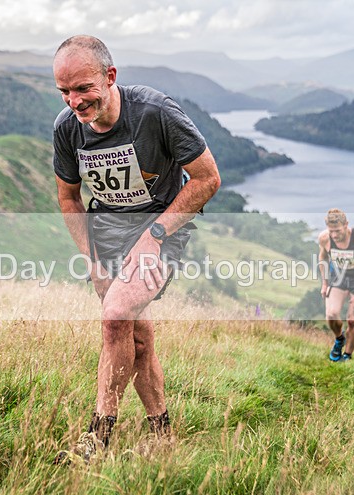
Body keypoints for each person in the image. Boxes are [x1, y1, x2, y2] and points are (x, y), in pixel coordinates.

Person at [51, 35, 221, 463]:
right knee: (136, 337)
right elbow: (69, 199)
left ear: (110, 77)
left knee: (114, 316)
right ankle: (162, 434)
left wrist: (153, 239)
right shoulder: (66, 129)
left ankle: (98, 438)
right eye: (64, 91)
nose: (74, 101)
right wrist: (91, 259)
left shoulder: (156, 113)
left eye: (83, 88)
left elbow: (207, 180)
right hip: (105, 235)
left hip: (161, 229)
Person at [318, 209, 354, 362]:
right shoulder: (324, 238)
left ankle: (347, 355)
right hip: (339, 277)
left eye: (337, 231)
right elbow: (322, 257)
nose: (334, 235)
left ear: (346, 225)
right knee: (331, 314)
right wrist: (325, 283)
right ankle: (339, 339)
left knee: (352, 320)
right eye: (331, 231)